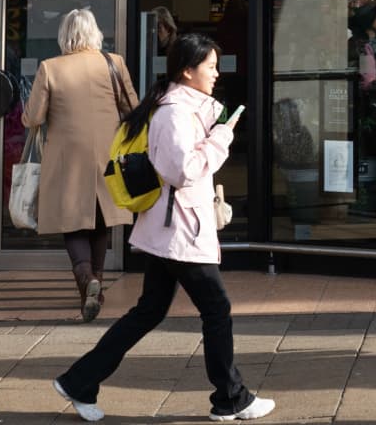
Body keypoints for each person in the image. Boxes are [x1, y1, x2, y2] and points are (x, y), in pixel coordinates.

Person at [52, 34, 276, 422]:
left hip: (169, 228)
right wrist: (222, 137)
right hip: (179, 232)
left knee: (148, 312)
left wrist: (216, 123)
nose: (216, 74)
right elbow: (182, 170)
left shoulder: (177, 106)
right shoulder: (173, 112)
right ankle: (230, 398)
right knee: (216, 309)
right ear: (187, 71)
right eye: (210, 67)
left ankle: (79, 380)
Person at [23, 7, 139, 321]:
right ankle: (96, 285)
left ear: (64, 36)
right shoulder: (113, 62)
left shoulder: (50, 67)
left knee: (72, 221)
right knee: (100, 220)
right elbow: (133, 107)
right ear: (95, 34)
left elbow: (33, 117)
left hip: (66, 156)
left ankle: (87, 280)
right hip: (108, 151)